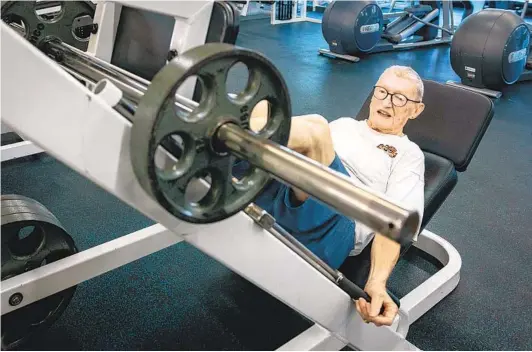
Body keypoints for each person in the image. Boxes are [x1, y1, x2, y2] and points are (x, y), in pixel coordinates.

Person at [237, 65, 426, 327]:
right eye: (382, 92)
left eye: (400, 98)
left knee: (316, 129)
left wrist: (376, 282)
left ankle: (218, 143)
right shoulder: (346, 125)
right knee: (265, 109)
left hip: (333, 227)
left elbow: (395, 223)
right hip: (289, 190)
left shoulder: (408, 153)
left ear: (416, 109)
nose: (387, 102)